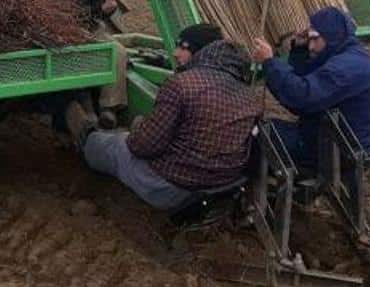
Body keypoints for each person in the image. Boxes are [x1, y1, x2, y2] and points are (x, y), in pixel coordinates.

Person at [68, 23, 261, 211]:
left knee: (112, 144)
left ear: (201, 50)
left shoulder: (182, 85)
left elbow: (142, 146)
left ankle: (84, 133)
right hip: (221, 184)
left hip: (171, 188)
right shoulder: (249, 94)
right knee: (139, 126)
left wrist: (132, 134)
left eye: (183, 47)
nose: (175, 53)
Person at [251, 7, 370, 175]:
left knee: (258, 135)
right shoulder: (348, 55)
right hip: (351, 143)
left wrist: (269, 63)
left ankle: (258, 193)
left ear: (331, 36)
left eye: (315, 39)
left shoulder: (345, 68)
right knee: (271, 130)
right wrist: (299, 49)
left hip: (341, 151)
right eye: (310, 39)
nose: (311, 46)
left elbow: (300, 97)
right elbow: (307, 79)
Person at [34, 0, 127, 127]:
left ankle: (109, 107)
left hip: (86, 26)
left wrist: (104, 11)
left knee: (118, 52)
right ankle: (78, 108)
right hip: (53, 26)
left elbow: (93, 10)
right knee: (72, 60)